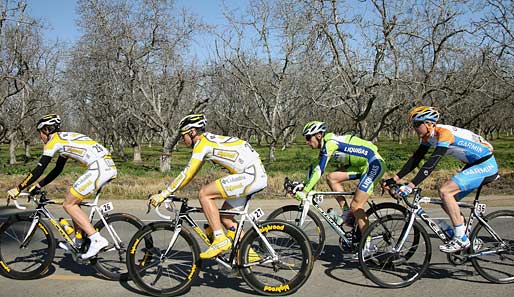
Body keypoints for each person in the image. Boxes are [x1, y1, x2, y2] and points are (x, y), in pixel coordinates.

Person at [148, 114, 267, 259]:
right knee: (226, 218)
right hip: (254, 174)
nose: (182, 140)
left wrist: (164, 193)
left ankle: (219, 239)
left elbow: (187, 173)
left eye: (183, 135)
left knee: (204, 194)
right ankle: (249, 257)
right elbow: (191, 172)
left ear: (192, 132)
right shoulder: (208, 141)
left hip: (250, 175)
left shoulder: (202, 145)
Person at [383, 106, 498, 253]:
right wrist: (394, 179)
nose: (415, 128)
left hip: (485, 164)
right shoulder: (427, 136)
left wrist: (410, 186)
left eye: (417, 124)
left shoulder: (444, 134)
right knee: (447, 202)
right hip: (473, 164)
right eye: (413, 125)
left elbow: (432, 163)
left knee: (445, 191)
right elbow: (416, 159)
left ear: (429, 123)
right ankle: (468, 239)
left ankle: (460, 239)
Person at [7, 114, 117, 259]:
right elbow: (57, 169)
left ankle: (96, 239)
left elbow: (40, 168)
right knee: (74, 200)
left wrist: (19, 188)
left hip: (99, 168)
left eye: (39, 132)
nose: (40, 136)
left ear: (46, 129)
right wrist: (38, 185)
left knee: (68, 204)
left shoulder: (54, 142)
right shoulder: (65, 139)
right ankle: (78, 242)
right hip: (104, 166)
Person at [295, 121, 386, 234]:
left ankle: (368, 243)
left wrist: (305, 191)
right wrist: (303, 183)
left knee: (356, 205)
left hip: (374, 164)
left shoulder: (330, 144)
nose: (306, 142)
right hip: (361, 166)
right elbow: (315, 166)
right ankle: (347, 213)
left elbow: (320, 170)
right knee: (331, 178)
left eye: (308, 138)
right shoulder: (326, 146)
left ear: (318, 135)